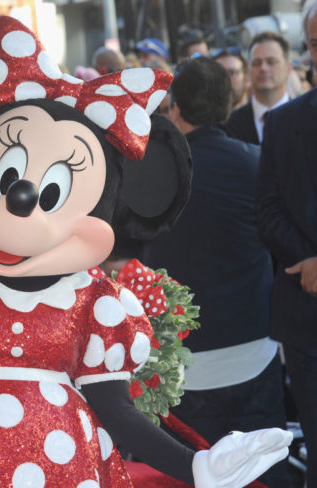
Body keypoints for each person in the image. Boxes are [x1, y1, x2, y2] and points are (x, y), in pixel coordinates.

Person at [0, 15, 292, 488]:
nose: (20, 199)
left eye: (54, 189)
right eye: (9, 177)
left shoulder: (93, 299)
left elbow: (115, 409)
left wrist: (196, 466)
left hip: (70, 468)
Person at [140, 56, 291, 487]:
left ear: (175, 108)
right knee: (262, 471)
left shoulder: (154, 172)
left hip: (176, 361)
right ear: (229, 105)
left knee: (187, 475)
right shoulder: (255, 163)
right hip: (251, 353)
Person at [257, 2, 317, 486]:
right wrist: (306, 258)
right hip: (307, 317)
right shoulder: (282, 123)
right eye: (316, 43)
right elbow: (268, 212)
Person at [225, 31, 292, 144]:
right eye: (256, 63)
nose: (263, 68)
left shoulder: (308, 118)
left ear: (288, 68)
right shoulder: (229, 124)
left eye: (271, 62)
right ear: (248, 70)